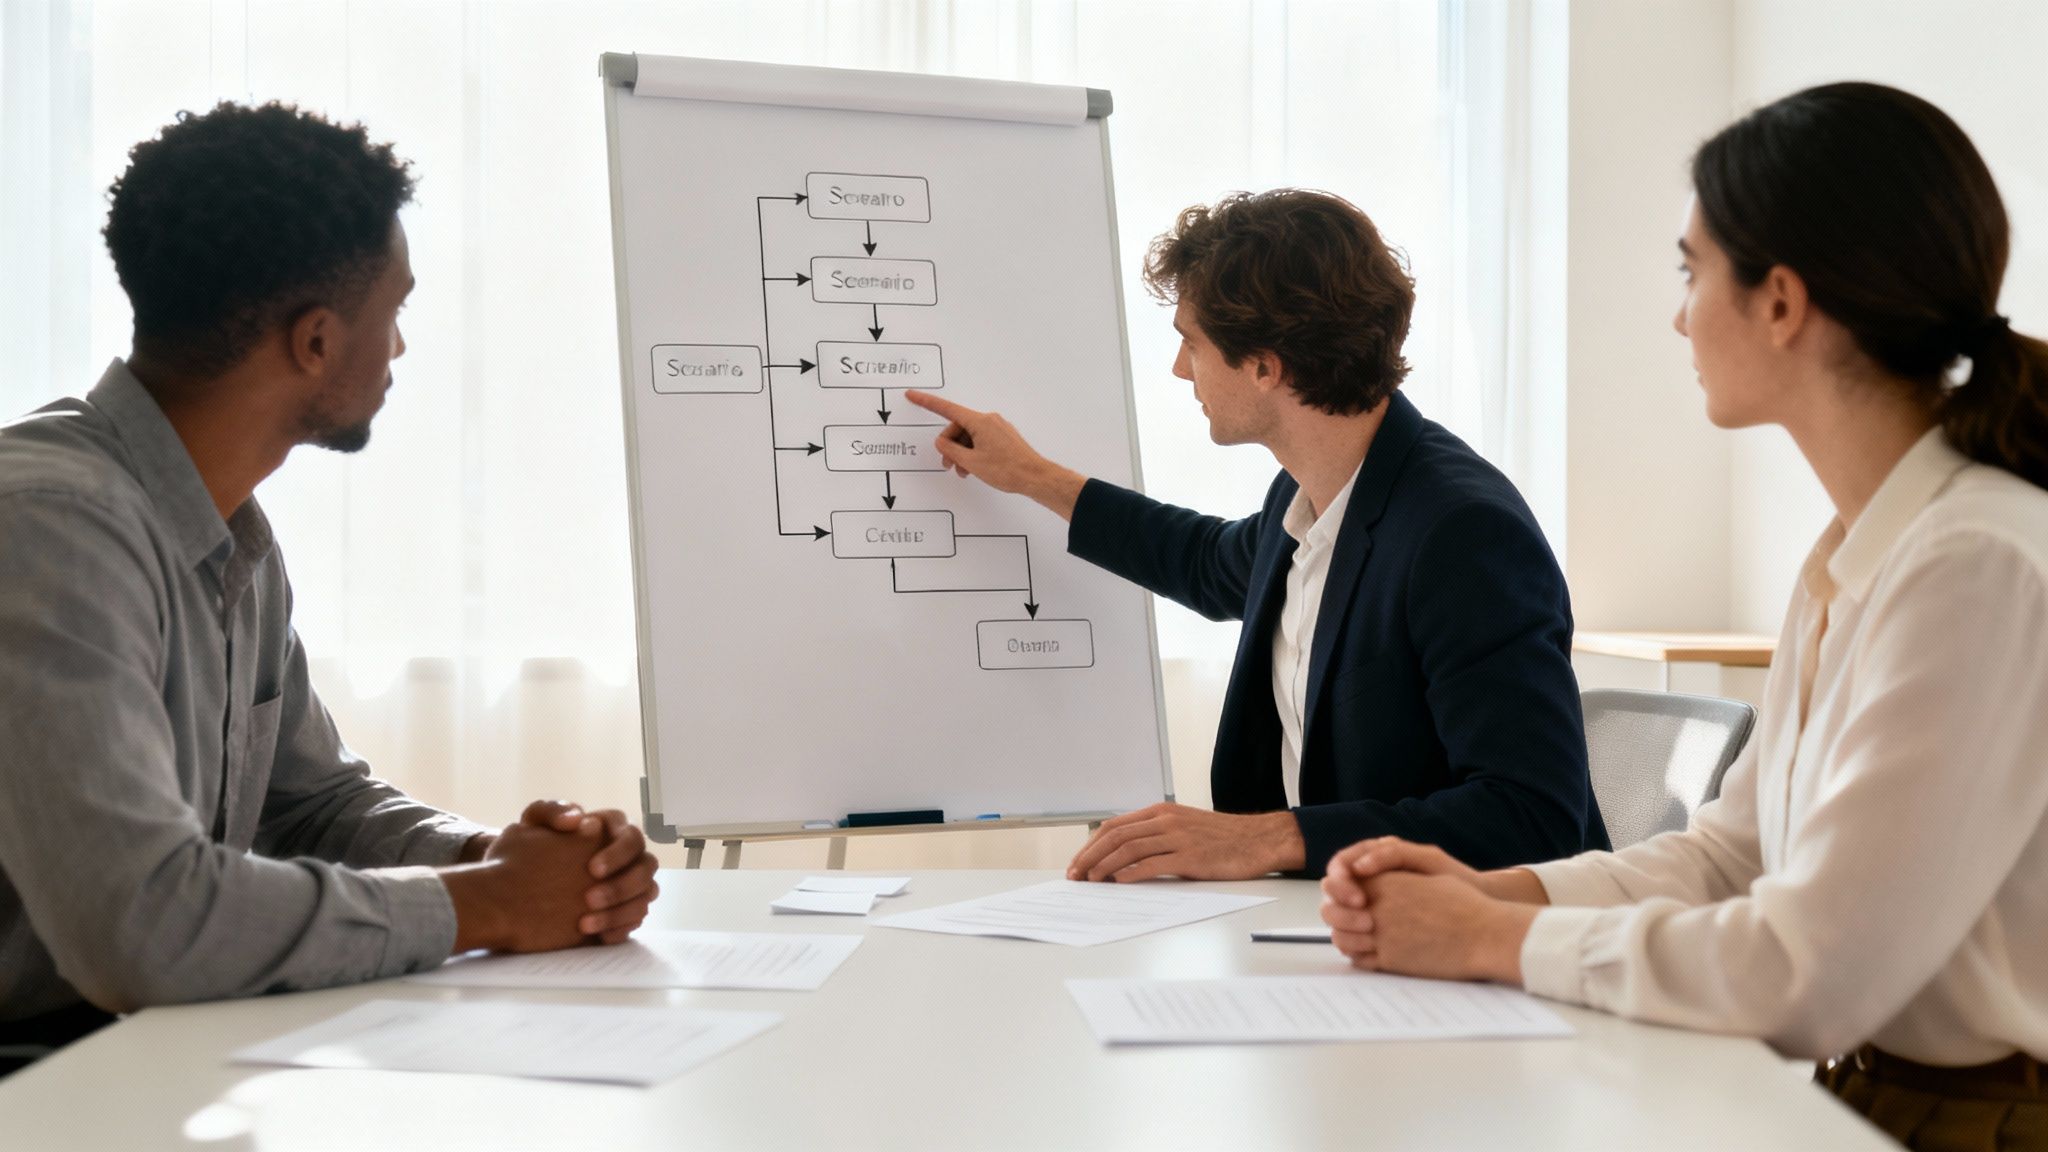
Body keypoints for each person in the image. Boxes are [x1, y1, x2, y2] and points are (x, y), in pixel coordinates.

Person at [1320, 82, 2048, 1150]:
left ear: (1781, 302)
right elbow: (1728, 859)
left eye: (1688, 269)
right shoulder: (1854, 553)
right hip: (1873, 1095)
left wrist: (1488, 939)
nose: (1676, 314)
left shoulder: (1976, 562)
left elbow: (1811, 974)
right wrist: (1498, 891)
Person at [0, 102, 659, 1068]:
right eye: (393, 313)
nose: (397, 350)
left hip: (123, 1061)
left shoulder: (232, 535)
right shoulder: (49, 526)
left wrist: (501, 861)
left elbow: (308, 806)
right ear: (315, 341)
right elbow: (142, 922)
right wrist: (492, 905)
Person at [905, 188, 1606, 883]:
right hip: (1339, 926)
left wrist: (1267, 839)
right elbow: (1207, 562)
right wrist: (1030, 475)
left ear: (1266, 366)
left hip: (1469, 956)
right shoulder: (1307, 495)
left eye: (1192, 343)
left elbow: (1532, 817)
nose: (1182, 368)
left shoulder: (1462, 534)